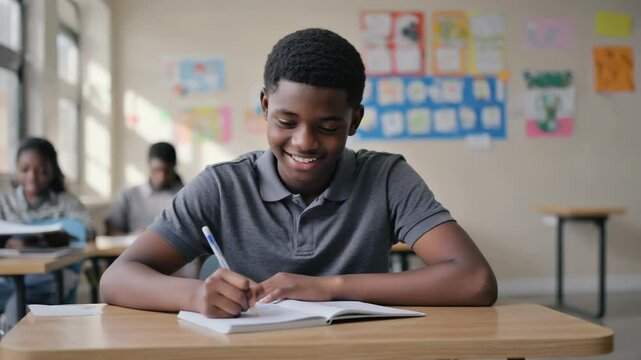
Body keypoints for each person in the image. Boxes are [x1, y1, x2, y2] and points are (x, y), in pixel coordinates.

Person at [100, 28, 497, 318]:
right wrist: (195, 295)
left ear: (354, 120)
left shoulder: (387, 178)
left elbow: (475, 280)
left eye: (327, 126)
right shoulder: (223, 186)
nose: (304, 142)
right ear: (264, 106)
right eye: (286, 121)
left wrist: (326, 288)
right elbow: (117, 279)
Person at [0, 137, 94, 327]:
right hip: (8, 275)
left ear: (52, 170)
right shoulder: (5, 201)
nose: (32, 177)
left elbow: (88, 231)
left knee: (16, 311)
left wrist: (61, 236)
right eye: (25, 170)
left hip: (53, 274)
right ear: (16, 170)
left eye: (41, 170)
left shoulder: (65, 202)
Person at [105, 142, 184, 235]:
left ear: (174, 168)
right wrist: (133, 237)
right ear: (149, 166)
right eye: (156, 170)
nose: (162, 176)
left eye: (166, 171)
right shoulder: (127, 196)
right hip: (133, 247)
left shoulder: (183, 196)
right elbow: (110, 231)